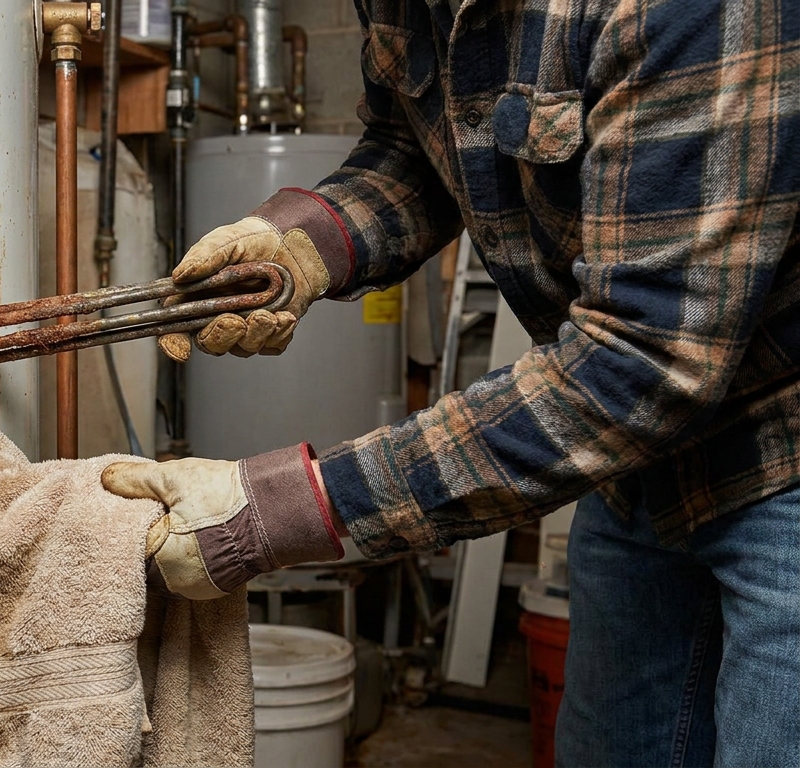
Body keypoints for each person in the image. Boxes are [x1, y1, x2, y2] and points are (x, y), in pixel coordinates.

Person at [100, 0, 800, 765]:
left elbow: (645, 360)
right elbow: (412, 147)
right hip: (636, 472)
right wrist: (304, 244)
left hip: (777, 452)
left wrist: (286, 507)